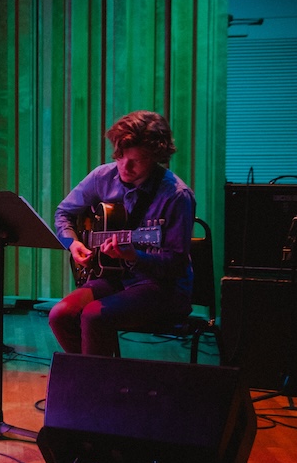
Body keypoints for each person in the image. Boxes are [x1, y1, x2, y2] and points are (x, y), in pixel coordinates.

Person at [47, 110, 195, 357]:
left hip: (160, 287)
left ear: (156, 158)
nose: (125, 167)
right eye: (121, 156)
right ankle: (97, 380)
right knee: (60, 315)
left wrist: (135, 257)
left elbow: (176, 264)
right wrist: (72, 244)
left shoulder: (176, 196)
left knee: (95, 315)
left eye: (136, 160)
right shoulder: (102, 177)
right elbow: (64, 213)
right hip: (113, 278)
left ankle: (100, 387)